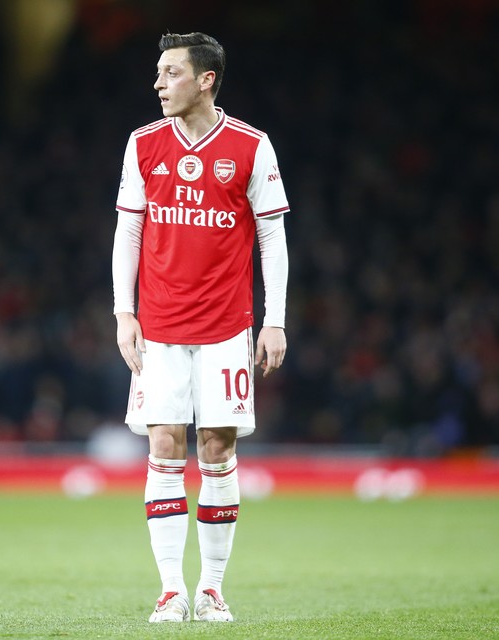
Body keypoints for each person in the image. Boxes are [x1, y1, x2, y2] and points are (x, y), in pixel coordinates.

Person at [111, 31, 289, 623]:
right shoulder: (143, 145)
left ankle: (211, 589)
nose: (158, 83)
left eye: (170, 72)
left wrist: (275, 321)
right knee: (164, 446)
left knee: (217, 449)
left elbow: (271, 237)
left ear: (205, 79)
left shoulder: (250, 146)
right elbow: (129, 232)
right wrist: (123, 311)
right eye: (158, 72)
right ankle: (170, 589)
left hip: (226, 328)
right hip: (159, 327)